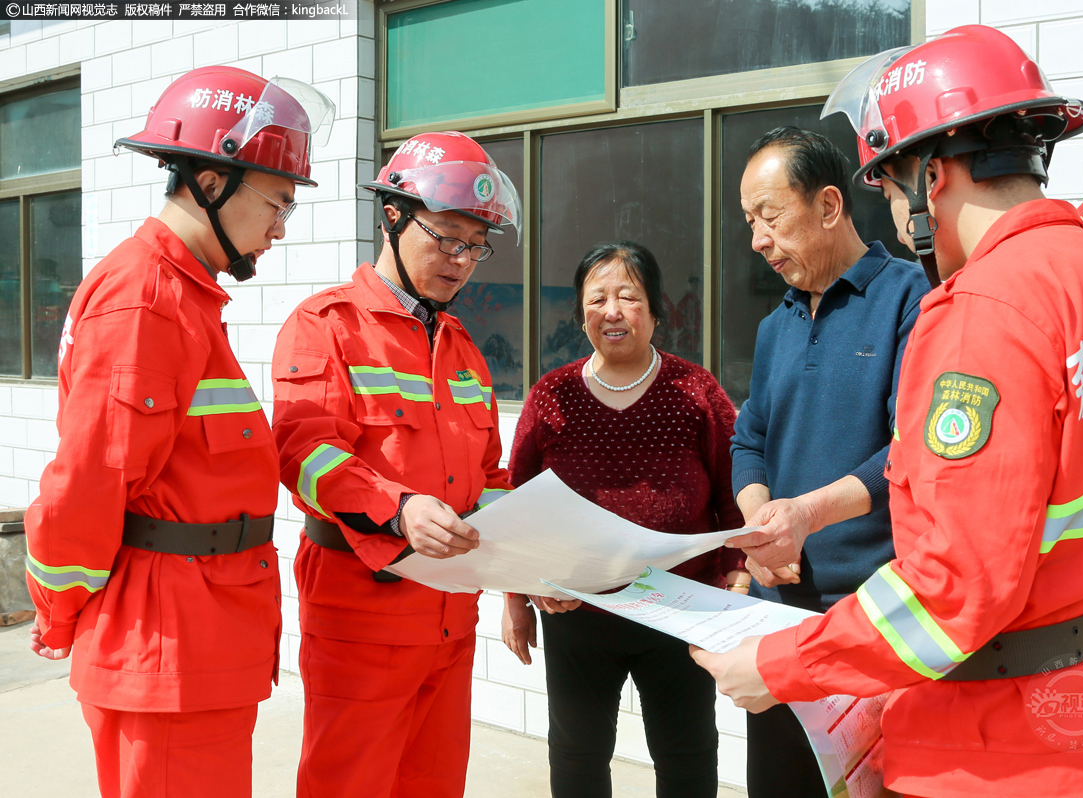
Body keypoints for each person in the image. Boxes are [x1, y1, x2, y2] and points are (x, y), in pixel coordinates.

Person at [698, 25, 1083, 797]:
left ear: (931, 178)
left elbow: (951, 588)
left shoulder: (983, 309)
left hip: (1004, 744)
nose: (896, 216)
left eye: (891, 189)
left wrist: (776, 664)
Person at [24, 66, 333, 798]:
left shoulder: (181, 294)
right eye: (278, 202)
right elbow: (86, 483)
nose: (283, 227)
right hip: (167, 645)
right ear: (212, 180)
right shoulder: (147, 300)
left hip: (197, 635)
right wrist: (59, 609)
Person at [270, 131, 521, 798]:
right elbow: (304, 453)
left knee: (436, 785)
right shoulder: (327, 325)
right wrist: (401, 508)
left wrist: (535, 546)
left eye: (475, 245)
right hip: (363, 621)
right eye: (445, 237)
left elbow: (489, 474)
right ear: (392, 215)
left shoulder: (464, 347)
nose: (461, 261)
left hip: (451, 619)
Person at [500, 241, 745, 798]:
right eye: (597, 299)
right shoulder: (551, 395)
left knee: (686, 756)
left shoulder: (696, 391)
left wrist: (738, 576)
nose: (611, 311)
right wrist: (516, 597)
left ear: (654, 310)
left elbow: (732, 494)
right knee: (577, 756)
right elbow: (517, 504)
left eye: (627, 296)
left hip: (680, 611)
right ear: (581, 313)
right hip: (575, 611)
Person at [730, 126, 926, 797]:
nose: (758, 239)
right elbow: (748, 438)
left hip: (869, 623)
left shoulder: (911, 298)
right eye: (750, 222)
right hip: (778, 621)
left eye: (771, 216)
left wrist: (807, 515)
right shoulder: (774, 324)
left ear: (830, 207)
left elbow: (913, 446)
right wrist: (760, 523)